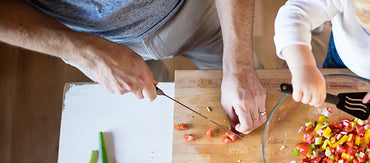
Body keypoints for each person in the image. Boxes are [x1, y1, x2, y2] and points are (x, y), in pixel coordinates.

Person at [0, 0, 267, 134]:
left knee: (248, 100)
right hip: (86, 38)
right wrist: (89, 54)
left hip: (191, 10)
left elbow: (239, 66)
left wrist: (239, 64)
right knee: (158, 123)